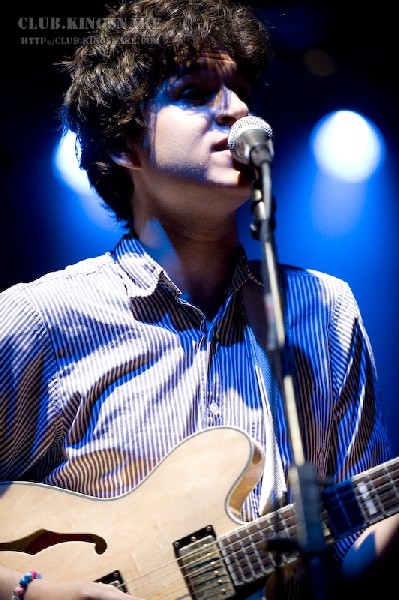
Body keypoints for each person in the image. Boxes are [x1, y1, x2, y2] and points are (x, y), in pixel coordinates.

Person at [0, 0, 398, 598]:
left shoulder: (322, 310)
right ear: (120, 146)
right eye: (193, 92)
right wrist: (35, 591)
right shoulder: (40, 319)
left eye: (241, 90)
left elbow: (349, 552)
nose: (237, 112)